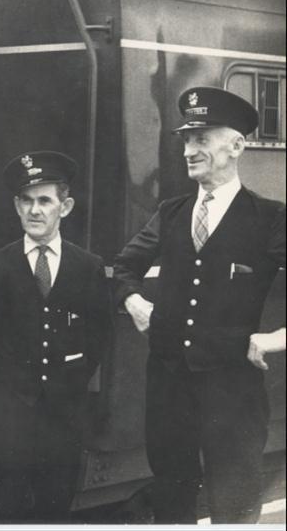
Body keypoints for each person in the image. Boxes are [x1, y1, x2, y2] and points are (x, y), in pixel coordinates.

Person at [113, 86, 286, 524]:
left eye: (202, 138)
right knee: (172, 496)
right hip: (169, 387)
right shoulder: (171, 212)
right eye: (187, 140)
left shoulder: (270, 218)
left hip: (233, 391)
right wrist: (133, 300)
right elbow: (125, 265)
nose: (190, 150)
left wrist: (277, 338)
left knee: (234, 500)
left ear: (237, 145)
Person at [0, 151, 111, 522]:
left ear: (64, 206)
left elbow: (98, 338)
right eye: (26, 201)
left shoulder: (88, 267)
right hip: (7, 422)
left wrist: (70, 384)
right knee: (8, 510)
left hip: (63, 420)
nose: (35, 210)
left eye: (45, 201)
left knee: (55, 508)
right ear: (16, 207)